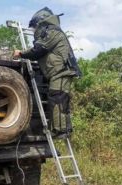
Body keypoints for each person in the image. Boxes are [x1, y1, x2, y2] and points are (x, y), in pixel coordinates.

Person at [14, 7, 81, 138]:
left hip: (61, 72)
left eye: (34, 27)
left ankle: (60, 130)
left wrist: (21, 53)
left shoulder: (52, 32)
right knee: (61, 100)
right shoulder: (52, 32)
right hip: (59, 72)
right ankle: (64, 129)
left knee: (57, 99)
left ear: (40, 22)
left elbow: (39, 49)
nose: (33, 30)